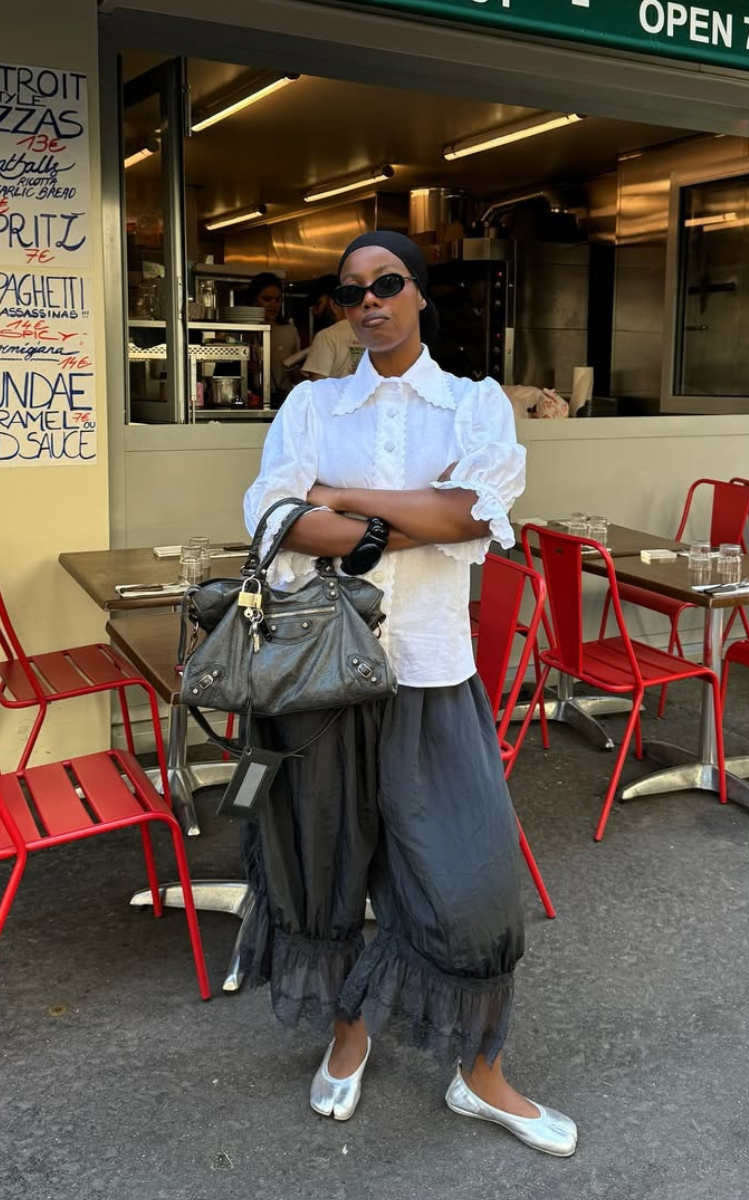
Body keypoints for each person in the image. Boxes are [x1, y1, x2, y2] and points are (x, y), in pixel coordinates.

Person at [240, 231, 577, 1158]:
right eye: (351, 292)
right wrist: (397, 514)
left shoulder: (473, 406)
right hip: (321, 678)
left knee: (472, 884)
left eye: (387, 284)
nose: (370, 303)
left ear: (420, 295)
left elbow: (473, 512)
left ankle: (480, 1072)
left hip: (432, 669)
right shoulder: (311, 401)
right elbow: (269, 516)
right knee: (330, 868)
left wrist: (341, 501)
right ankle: (350, 1034)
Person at [244, 272, 302, 403]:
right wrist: (242, 366)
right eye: (267, 299)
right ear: (254, 300)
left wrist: (296, 373)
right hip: (250, 398)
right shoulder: (243, 330)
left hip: (282, 398)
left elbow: (297, 374)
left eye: (278, 299)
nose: (273, 304)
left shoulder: (289, 330)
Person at [302, 275, 364, 381]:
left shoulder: (326, 336)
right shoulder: (372, 333)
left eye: (318, 304)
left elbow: (318, 386)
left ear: (333, 303)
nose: (315, 311)